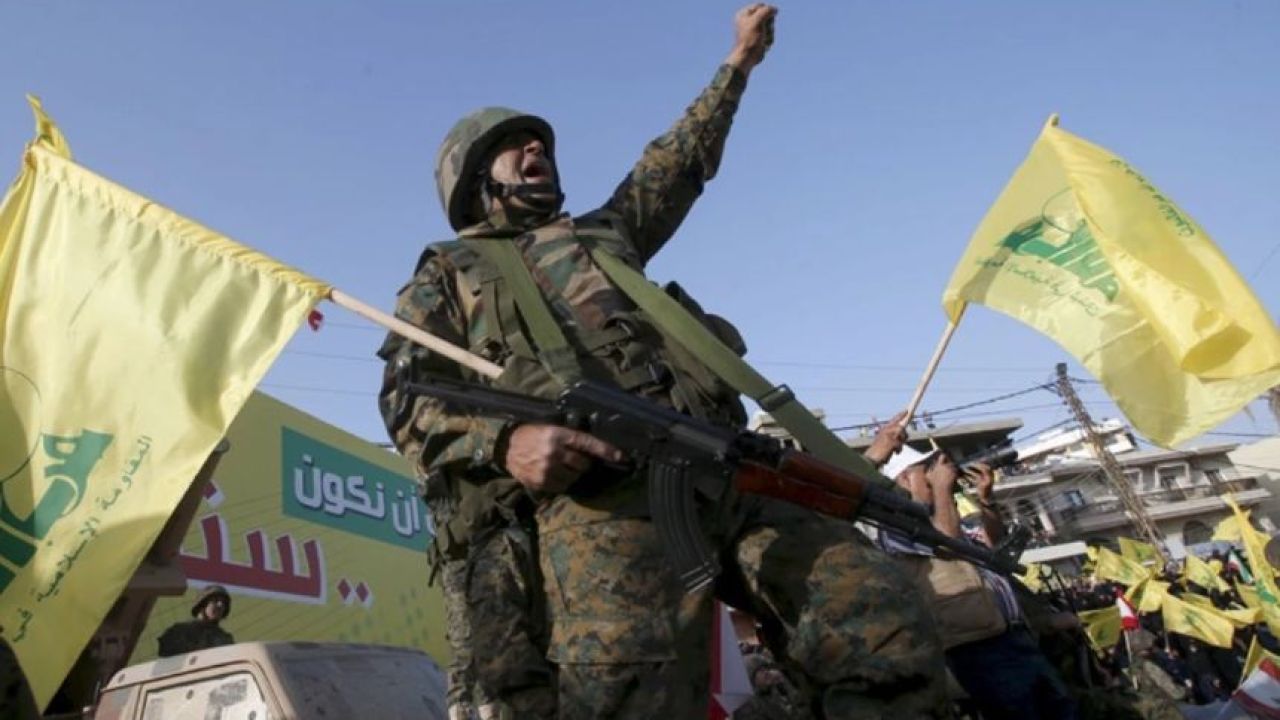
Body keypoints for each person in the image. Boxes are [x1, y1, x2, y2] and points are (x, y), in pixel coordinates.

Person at [378, 5, 946, 717]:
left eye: (538, 141)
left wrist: (737, 64)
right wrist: (506, 441)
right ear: (474, 181)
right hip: (603, 499)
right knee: (628, 693)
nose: (536, 148)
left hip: (726, 464)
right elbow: (407, 397)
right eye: (513, 147)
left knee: (880, 624)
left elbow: (676, 161)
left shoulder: (605, 233)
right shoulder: (450, 271)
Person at [156, 585, 235, 657]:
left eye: (224, 603)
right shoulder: (179, 631)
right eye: (215, 600)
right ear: (202, 604)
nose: (220, 605)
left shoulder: (225, 639)